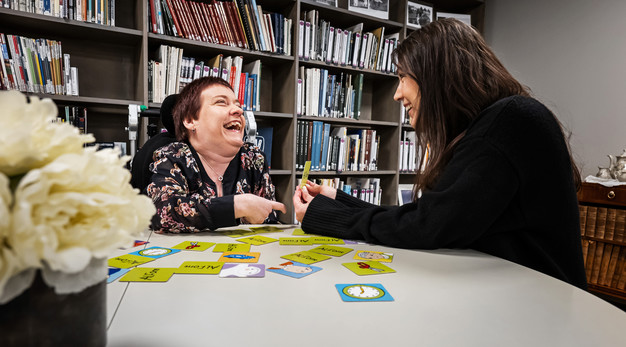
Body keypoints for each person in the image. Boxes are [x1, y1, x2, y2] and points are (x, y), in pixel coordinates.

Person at [293, 18, 587, 289]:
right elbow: (430, 216)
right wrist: (337, 200)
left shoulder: (508, 120)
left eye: (402, 77)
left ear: (435, 75)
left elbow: (427, 226)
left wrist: (323, 216)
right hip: (514, 294)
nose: (397, 94)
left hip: (543, 307)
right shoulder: (491, 126)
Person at [147, 76, 285, 233]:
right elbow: (163, 215)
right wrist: (236, 206)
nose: (239, 111)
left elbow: (268, 220)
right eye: (221, 102)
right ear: (191, 120)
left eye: (238, 105)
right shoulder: (173, 157)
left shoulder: (253, 157)